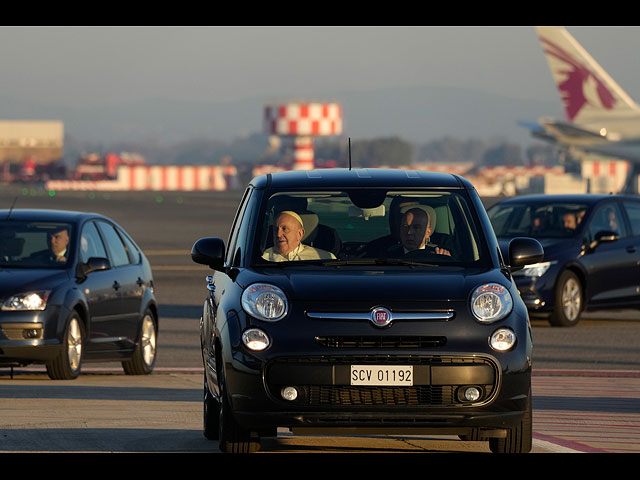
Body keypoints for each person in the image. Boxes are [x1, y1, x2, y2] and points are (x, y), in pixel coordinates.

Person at [262, 211, 336, 262]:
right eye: (275, 230)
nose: (278, 235)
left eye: (285, 229)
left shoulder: (325, 258)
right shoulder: (262, 258)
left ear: (300, 234)